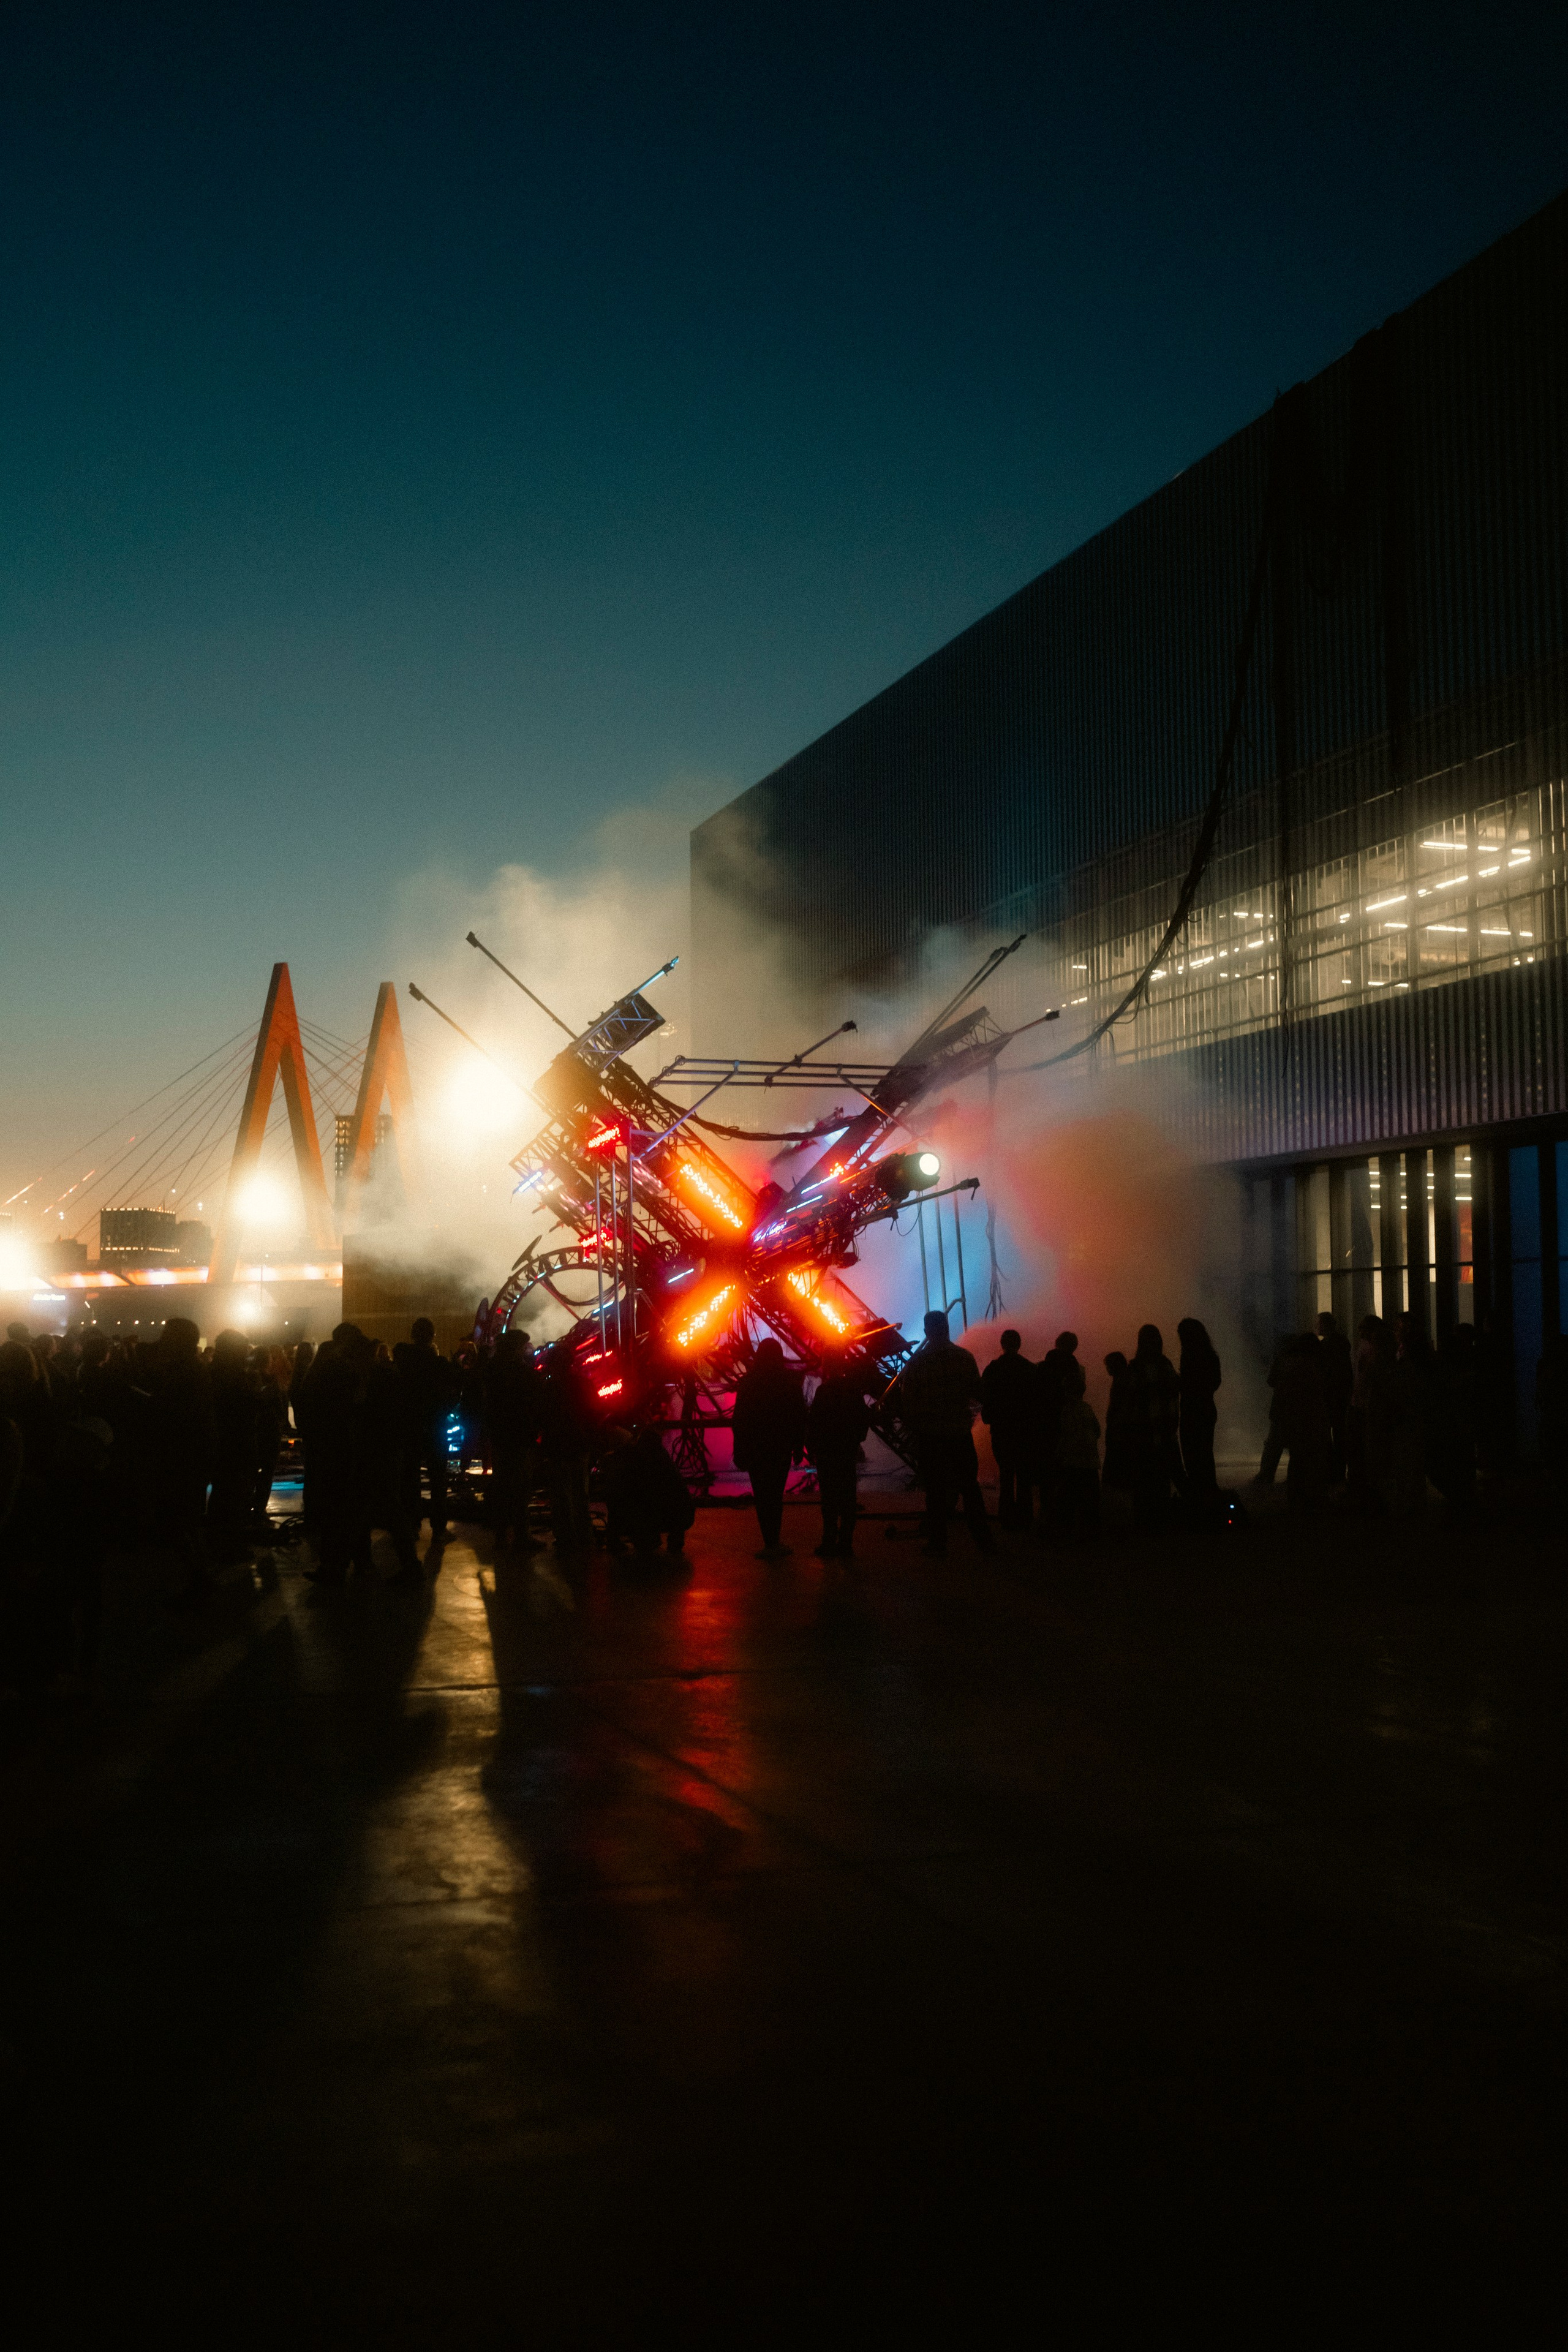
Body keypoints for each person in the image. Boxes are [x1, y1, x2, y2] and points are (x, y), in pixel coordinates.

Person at [897, 1310, 995, 1558]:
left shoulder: (918, 1363)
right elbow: (978, 1393)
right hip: (959, 1434)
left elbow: (908, 1402)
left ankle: (938, 1542)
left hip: (931, 1437)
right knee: (970, 1489)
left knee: (936, 1490)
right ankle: (984, 1541)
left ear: (927, 1331)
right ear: (947, 1328)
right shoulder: (964, 1358)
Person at [731, 1338, 807, 1559]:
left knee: (763, 1497)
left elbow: (740, 1419)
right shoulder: (789, 1382)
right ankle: (774, 1542)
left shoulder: (749, 1383)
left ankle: (769, 1542)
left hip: (756, 1449)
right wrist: (798, 1447)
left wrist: (740, 1449)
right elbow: (798, 1416)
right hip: (780, 1448)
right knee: (775, 1495)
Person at [806, 1345, 871, 1558]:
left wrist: (812, 1448)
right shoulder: (852, 1390)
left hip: (827, 1454)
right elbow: (862, 1421)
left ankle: (829, 1542)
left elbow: (815, 1423)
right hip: (846, 1452)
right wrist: (855, 1442)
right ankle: (846, 1543)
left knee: (829, 1501)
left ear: (826, 1364)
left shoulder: (824, 1392)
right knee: (848, 1500)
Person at [487, 1329, 543, 1554]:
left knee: (502, 1487)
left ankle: (501, 1536)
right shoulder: (523, 1373)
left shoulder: (493, 1370)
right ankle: (522, 1536)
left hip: (500, 1437)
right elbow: (535, 1405)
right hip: (520, 1438)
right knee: (521, 1489)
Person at [402, 1317, 458, 1543]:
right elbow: (453, 1395)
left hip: (411, 1426)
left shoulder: (403, 1363)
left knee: (410, 1478)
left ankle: (412, 1524)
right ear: (433, 1336)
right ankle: (439, 1527)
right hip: (435, 1426)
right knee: (438, 1478)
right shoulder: (440, 1365)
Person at [603, 1424, 695, 1559]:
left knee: (626, 1502)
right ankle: (673, 1541)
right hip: (681, 1517)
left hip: (651, 1517)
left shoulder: (635, 1465)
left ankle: (643, 1541)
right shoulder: (667, 1466)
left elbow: (624, 1497)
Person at [1122, 1324, 1182, 1530]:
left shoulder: (1136, 1368)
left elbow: (1129, 1400)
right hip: (1166, 1432)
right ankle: (1163, 1518)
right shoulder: (1166, 1365)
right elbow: (1175, 1394)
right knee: (1163, 1476)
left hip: (1143, 1432)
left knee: (1144, 1477)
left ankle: (1145, 1520)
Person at [979, 1330, 1036, 1529]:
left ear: (1002, 1344)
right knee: (1024, 1475)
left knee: (1005, 1473)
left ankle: (1006, 1518)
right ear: (1019, 1344)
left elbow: (983, 1396)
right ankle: (1025, 1517)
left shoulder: (994, 1369)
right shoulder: (1030, 1369)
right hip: (1025, 1429)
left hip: (1002, 1429)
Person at [1273, 1330, 1333, 1512]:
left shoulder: (1288, 1362)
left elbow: (1275, 1383)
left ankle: (1296, 1498)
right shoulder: (1317, 1363)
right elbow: (1324, 1390)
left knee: (1298, 1459)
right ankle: (1315, 1498)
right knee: (1315, 1459)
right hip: (1313, 1416)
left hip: (1294, 1417)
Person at [1034, 1332, 1084, 1531]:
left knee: (1046, 1470)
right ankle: (1065, 1517)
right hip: (1068, 1424)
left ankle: (1046, 1515)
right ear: (1074, 1348)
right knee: (1066, 1469)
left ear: (1056, 1343)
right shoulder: (1077, 1370)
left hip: (1045, 1424)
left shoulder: (1042, 1367)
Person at [1175, 1317, 1221, 1500]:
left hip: (1191, 1410)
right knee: (1205, 1454)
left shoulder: (1188, 1355)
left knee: (1192, 1455)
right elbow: (1215, 1383)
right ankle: (1209, 1493)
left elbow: (1188, 1385)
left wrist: (1180, 1382)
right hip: (1207, 1409)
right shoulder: (1211, 1355)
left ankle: (1197, 1495)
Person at [1055, 1386, 1102, 1537]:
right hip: (1089, 1460)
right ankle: (1090, 1529)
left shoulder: (1067, 1410)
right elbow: (1097, 1431)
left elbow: (1063, 1433)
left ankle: (1069, 1529)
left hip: (1072, 1460)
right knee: (1089, 1498)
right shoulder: (1087, 1409)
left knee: (1070, 1496)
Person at [1316, 1311, 1354, 1485]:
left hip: (1330, 1395)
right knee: (1339, 1433)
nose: (1316, 1326)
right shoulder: (1342, 1342)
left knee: (1328, 1433)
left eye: (1319, 1323)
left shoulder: (1326, 1345)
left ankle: (1332, 1470)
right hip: (1340, 1394)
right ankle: (1338, 1470)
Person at [1101, 1351, 1136, 1492]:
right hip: (1122, 1429)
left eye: (1108, 1366)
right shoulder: (1125, 1378)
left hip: (1119, 1430)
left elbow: (1119, 1406)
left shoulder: (1121, 1381)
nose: (1107, 1369)